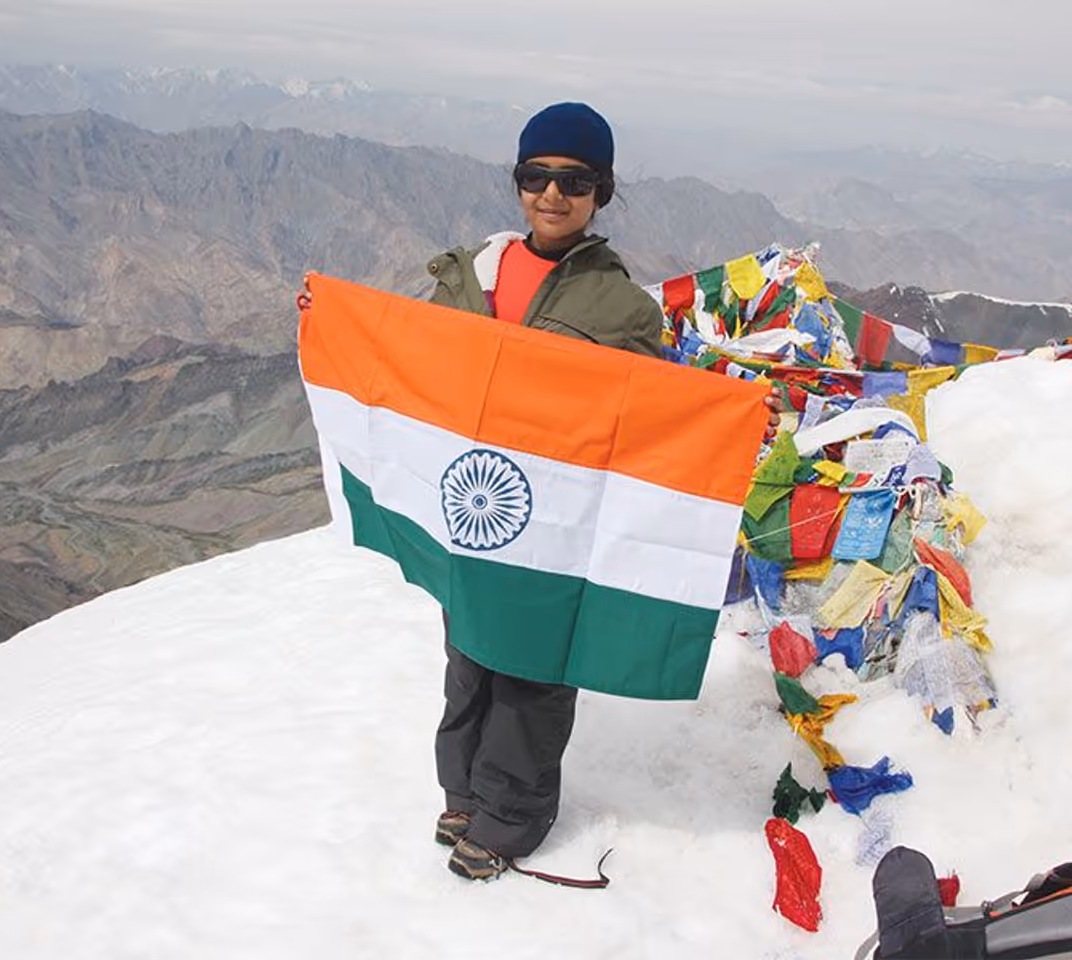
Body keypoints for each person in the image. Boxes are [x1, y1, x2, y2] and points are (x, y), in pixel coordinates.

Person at [303, 102, 778, 882]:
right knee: (468, 657)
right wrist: (331, 325)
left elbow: (644, 417)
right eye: (537, 177)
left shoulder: (622, 309)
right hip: (473, 507)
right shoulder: (467, 278)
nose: (552, 195)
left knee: (532, 669)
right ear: (518, 182)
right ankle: (463, 790)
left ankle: (512, 818)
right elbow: (412, 371)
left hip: (551, 523)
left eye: (575, 180)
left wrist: (728, 422)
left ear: (602, 192)